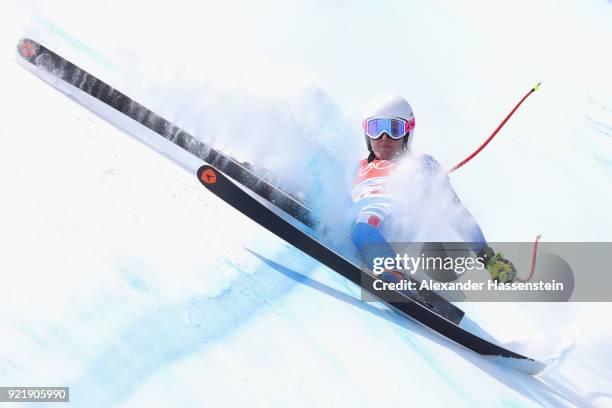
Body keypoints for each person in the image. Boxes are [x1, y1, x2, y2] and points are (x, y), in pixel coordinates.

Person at [350, 93, 516, 283]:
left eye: (394, 129)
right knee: (357, 223)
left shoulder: (420, 164)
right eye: (376, 128)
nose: (384, 137)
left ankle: (393, 271)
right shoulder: (358, 166)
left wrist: (489, 259)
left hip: (394, 218)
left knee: (363, 227)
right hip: (358, 215)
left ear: (407, 133)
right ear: (366, 133)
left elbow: (456, 212)